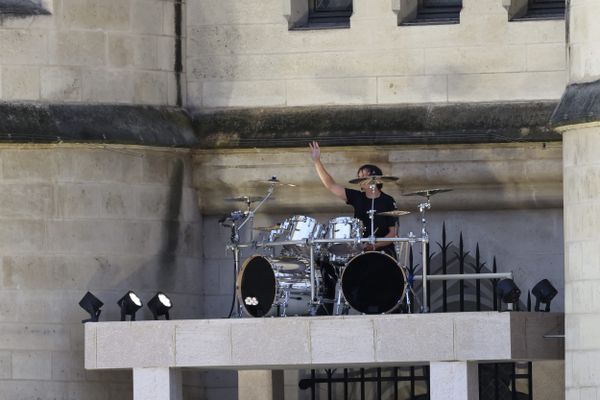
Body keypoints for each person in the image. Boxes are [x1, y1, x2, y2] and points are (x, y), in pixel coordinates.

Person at [309, 141, 398, 256]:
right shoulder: (357, 197)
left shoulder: (388, 201)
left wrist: (375, 245)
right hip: (361, 251)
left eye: (364, 177)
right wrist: (317, 161)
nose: (361, 180)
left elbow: (392, 233)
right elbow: (331, 185)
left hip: (384, 252)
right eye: (359, 177)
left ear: (376, 179)